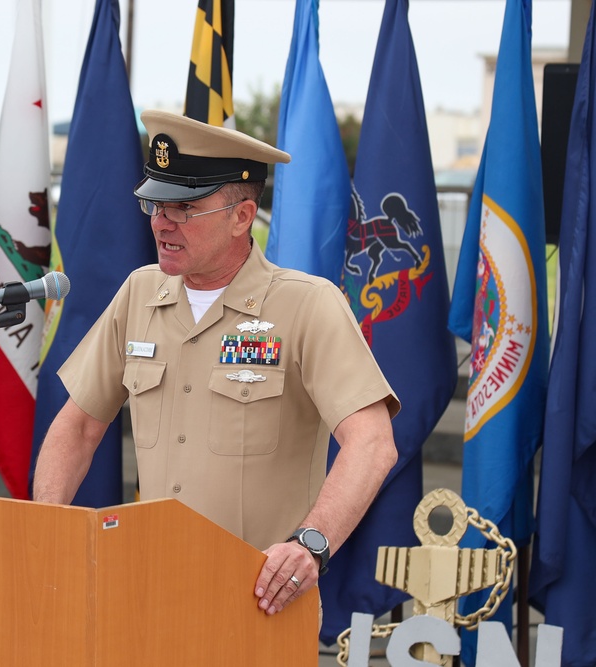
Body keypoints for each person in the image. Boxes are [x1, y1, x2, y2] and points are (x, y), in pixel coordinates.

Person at [32, 110, 400, 618]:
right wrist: (45, 526)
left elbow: (373, 444)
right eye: (155, 204)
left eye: (183, 207)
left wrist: (310, 544)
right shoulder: (140, 293)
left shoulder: (307, 305)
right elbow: (77, 426)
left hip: (257, 608)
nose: (162, 222)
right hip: (150, 599)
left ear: (242, 217)